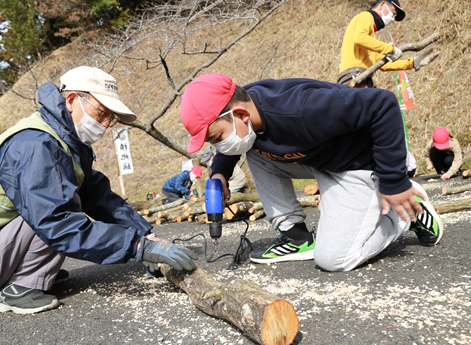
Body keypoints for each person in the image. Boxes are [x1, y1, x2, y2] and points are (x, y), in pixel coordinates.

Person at [0, 66, 197, 315]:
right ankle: (17, 289)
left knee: (66, 198)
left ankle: (31, 272)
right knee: (62, 207)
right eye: (101, 113)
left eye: (111, 117)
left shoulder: (63, 140)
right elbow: (56, 222)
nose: (106, 124)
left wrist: (146, 236)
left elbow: (99, 196)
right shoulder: (35, 145)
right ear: (72, 99)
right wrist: (137, 247)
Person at [180, 72, 443, 270]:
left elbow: (383, 104)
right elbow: (233, 146)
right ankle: (296, 237)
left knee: (334, 259)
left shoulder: (302, 109)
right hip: (322, 159)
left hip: (360, 164)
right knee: (255, 152)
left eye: (216, 137)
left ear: (240, 114)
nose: (218, 145)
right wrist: (220, 173)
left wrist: (394, 181)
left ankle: (406, 214)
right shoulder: (246, 112)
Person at [337, 0, 438, 87]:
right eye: (393, 13)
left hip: (361, 78)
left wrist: (413, 63)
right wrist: (390, 49)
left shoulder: (370, 40)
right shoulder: (366, 16)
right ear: (382, 5)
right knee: (387, 101)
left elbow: (383, 64)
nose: (392, 18)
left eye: (394, 16)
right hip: (354, 77)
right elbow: (359, 38)